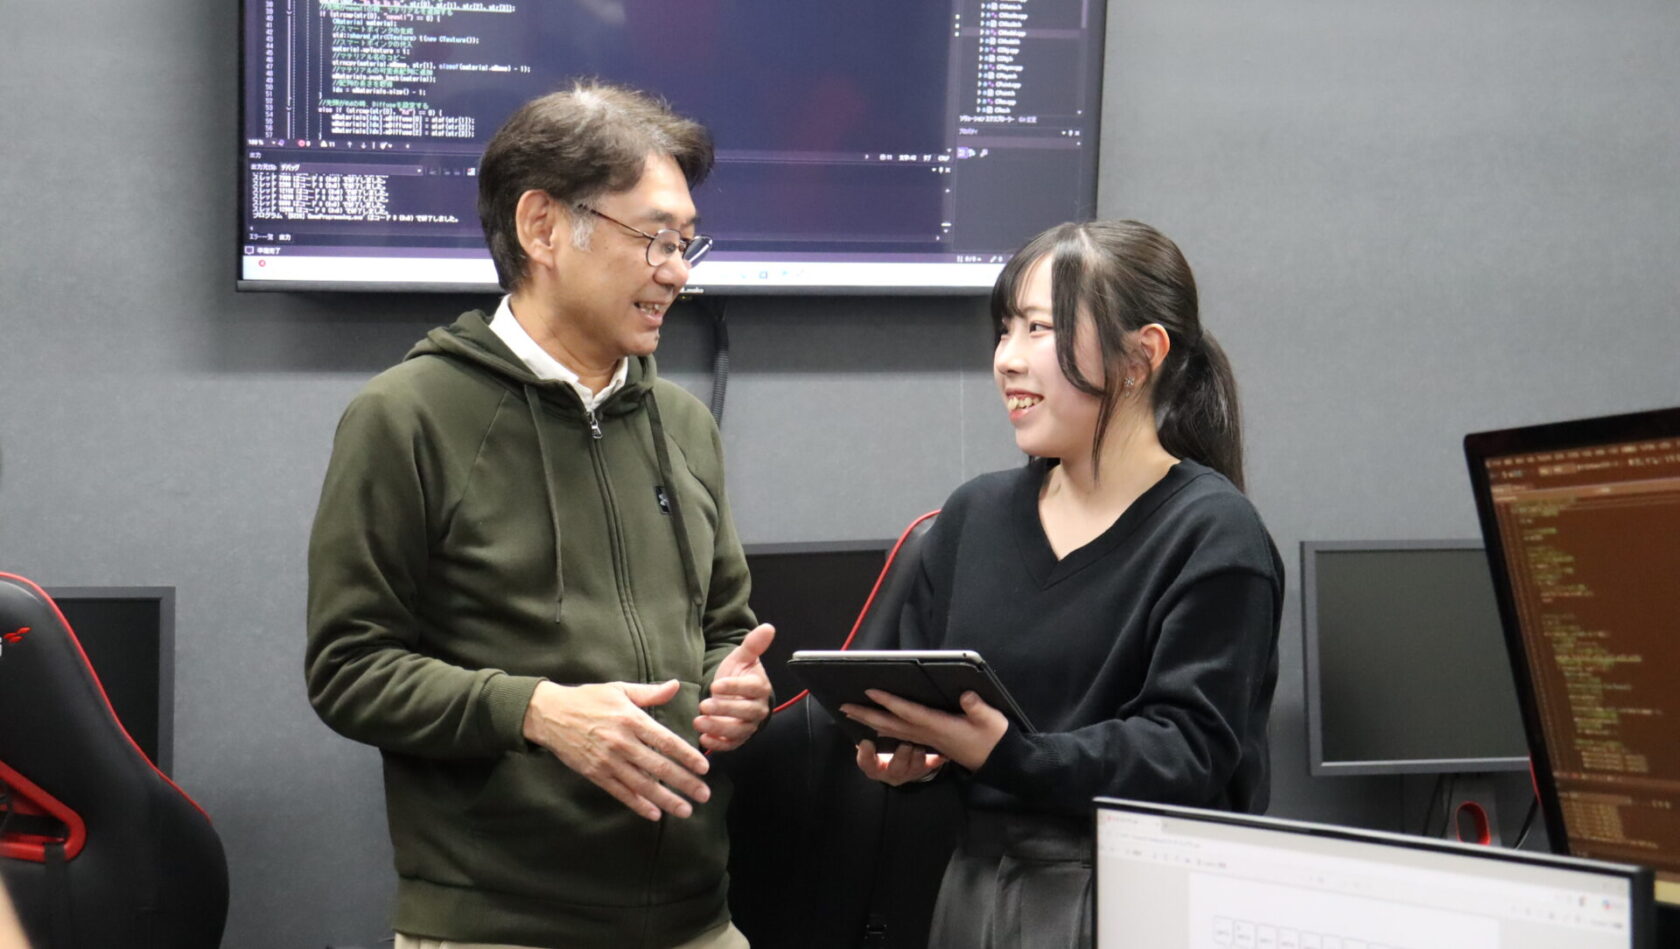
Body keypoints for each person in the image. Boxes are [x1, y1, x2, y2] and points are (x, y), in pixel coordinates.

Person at [305, 81, 773, 949]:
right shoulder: (406, 416)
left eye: (685, 242)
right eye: (654, 237)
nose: (678, 271)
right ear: (542, 227)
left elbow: (723, 630)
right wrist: (536, 711)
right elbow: (349, 668)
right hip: (499, 924)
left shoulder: (683, 425)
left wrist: (734, 689)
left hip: (698, 918)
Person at [841, 220, 1283, 948]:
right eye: (1005, 329)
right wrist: (912, 754)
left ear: (1141, 356)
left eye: (1039, 329)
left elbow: (1186, 751)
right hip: (974, 890)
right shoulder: (973, 514)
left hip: (1135, 900)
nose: (1008, 359)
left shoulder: (1214, 532)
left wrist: (1008, 754)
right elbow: (931, 692)